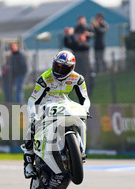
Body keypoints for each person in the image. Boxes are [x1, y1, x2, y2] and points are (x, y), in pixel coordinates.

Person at [21, 50, 91, 178]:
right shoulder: (44, 78)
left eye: (63, 68)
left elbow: (85, 98)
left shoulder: (78, 78)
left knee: (82, 120)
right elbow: (32, 99)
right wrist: (33, 115)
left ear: (72, 67)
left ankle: (80, 152)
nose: (59, 70)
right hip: (45, 105)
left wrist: (85, 109)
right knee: (32, 127)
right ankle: (28, 164)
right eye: (57, 66)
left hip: (65, 103)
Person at [63, 27, 93, 94]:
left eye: (81, 34)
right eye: (78, 34)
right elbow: (67, 44)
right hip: (76, 68)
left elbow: (78, 44)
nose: (79, 36)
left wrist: (71, 35)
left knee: (85, 84)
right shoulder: (75, 44)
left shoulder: (86, 44)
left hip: (85, 69)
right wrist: (66, 35)